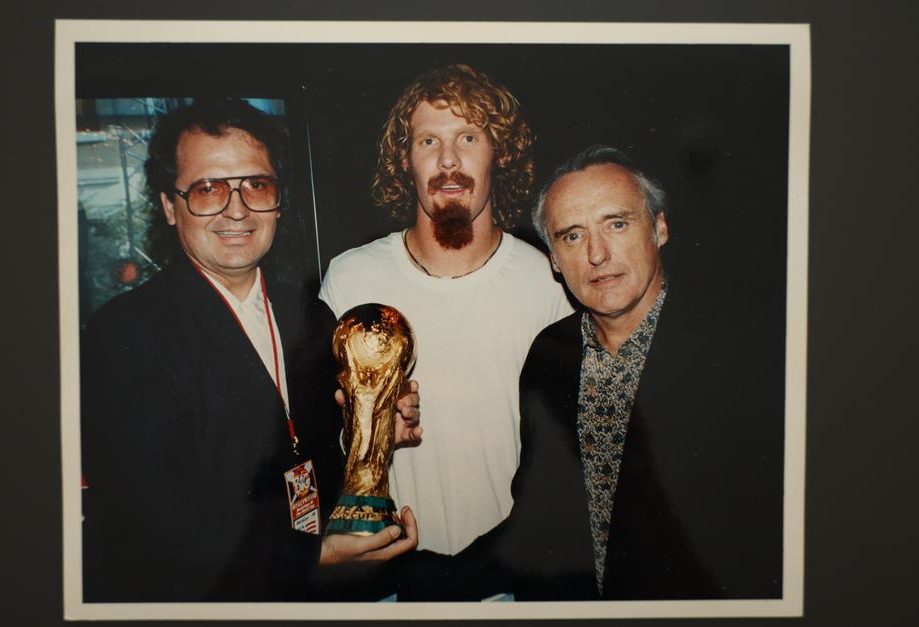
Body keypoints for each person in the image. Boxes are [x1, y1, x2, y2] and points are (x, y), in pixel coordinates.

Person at [408, 145, 784, 600]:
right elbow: (540, 524)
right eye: (571, 236)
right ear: (553, 258)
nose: (596, 254)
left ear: (660, 229)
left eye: (617, 224)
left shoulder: (737, 355)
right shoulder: (549, 355)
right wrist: (416, 573)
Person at [81, 99, 420, 602]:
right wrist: (313, 555)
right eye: (208, 189)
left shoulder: (311, 316)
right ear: (170, 206)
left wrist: (372, 432)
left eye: (256, 185)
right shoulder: (124, 334)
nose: (236, 209)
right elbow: (146, 521)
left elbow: (312, 451)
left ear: (278, 199)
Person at [318, 64, 573, 556]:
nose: (448, 160)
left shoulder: (549, 283)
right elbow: (316, 440)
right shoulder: (350, 280)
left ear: (501, 153)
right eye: (428, 141)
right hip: (387, 574)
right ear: (405, 159)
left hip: (512, 577)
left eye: (469, 138)